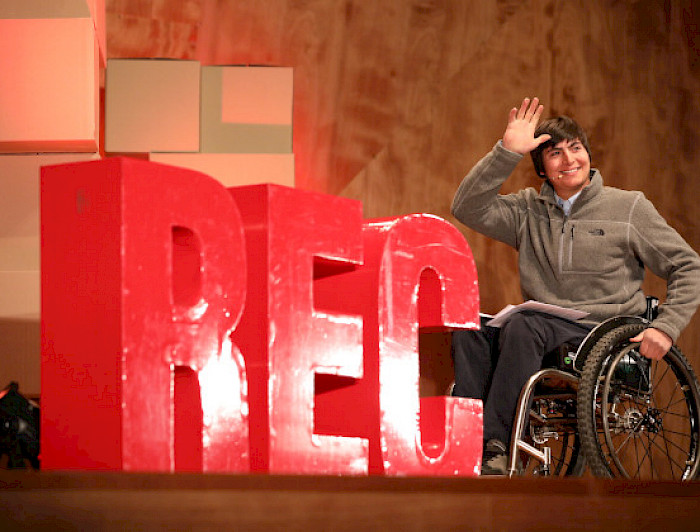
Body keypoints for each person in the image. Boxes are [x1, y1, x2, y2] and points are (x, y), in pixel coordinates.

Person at [450, 97, 700, 475]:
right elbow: (466, 207)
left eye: (576, 148)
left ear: (587, 155)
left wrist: (665, 327)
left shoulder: (628, 208)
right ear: (541, 169)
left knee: (524, 325)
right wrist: (506, 153)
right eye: (555, 154)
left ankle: (493, 447)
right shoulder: (527, 211)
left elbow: (688, 264)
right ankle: (464, 442)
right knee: (467, 330)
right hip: (544, 327)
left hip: (602, 333)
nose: (569, 160)